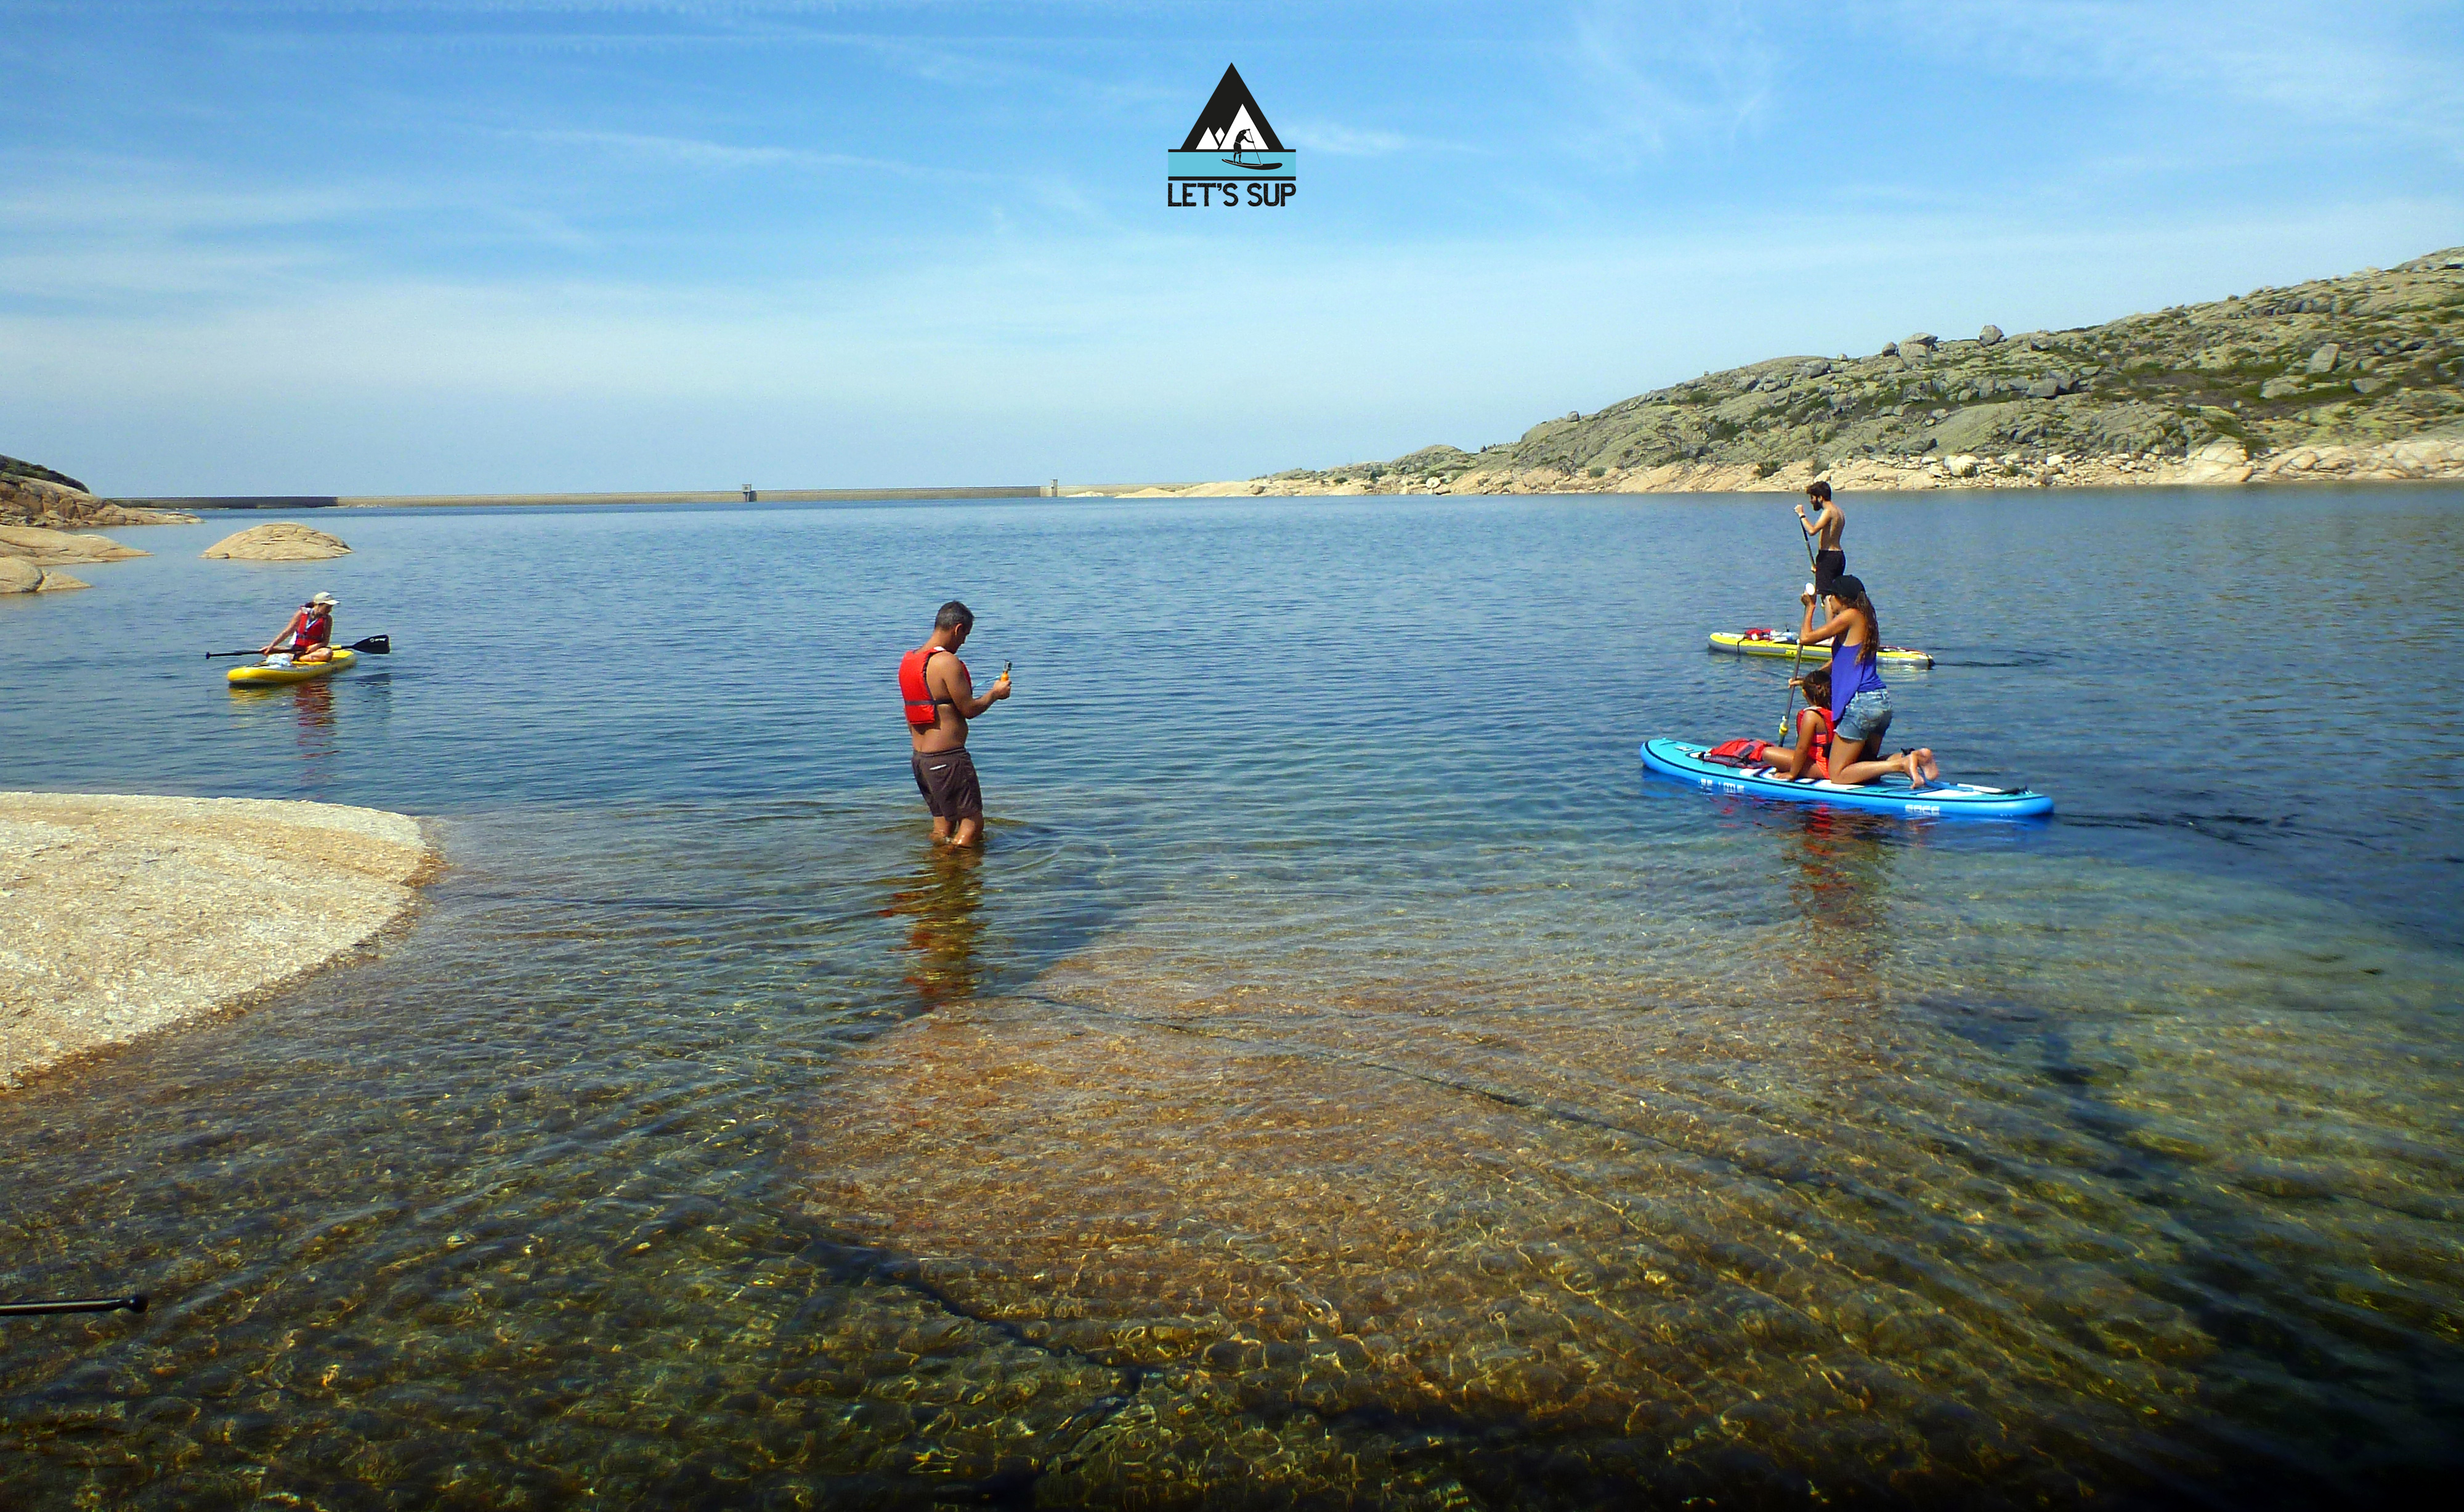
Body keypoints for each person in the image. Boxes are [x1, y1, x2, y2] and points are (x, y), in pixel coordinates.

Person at [1800, 574, 1938, 787]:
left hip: (1862, 704)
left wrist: (1810, 608)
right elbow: (1843, 661)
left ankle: (1901, 765)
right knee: (1865, 764)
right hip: (1879, 701)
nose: (1829, 602)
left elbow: (1806, 638)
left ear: (1841, 598)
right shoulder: (1865, 620)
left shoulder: (1850, 615)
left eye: (1831, 597)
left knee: (1838, 774)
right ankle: (1917, 757)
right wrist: (1811, 678)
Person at [898, 600, 1011, 848]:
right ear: (958, 629)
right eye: (965, 636)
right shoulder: (947, 662)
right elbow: (969, 710)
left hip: (922, 760)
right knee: (972, 824)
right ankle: (953, 867)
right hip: (948, 759)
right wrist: (995, 694)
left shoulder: (910, 661)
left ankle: (935, 866)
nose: (963, 643)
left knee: (943, 826)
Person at [1763, 664, 1837, 780]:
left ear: (1804, 693)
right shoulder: (1833, 710)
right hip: (1831, 763)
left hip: (1820, 768)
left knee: (1767, 753)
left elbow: (1802, 749)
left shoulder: (1811, 716)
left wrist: (1792, 774)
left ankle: (1797, 770)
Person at [1796, 482, 1846, 600]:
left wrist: (1801, 515)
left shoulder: (1829, 511)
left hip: (1828, 557)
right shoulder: (1840, 512)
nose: (1811, 501)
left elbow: (1812, 531)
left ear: (1820, 498)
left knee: (1826, 597)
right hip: (1838, 556)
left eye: (1812, 498)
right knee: (1835, 596)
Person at [263, 592, 337, 664]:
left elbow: (326, 641)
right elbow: (287, 632)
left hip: (315, 650)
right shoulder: (302, 614)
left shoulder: (328, 619)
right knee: (268, 650)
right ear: (318, 605)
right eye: (327, 607)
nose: (330, 610)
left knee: (327, 654)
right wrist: (272, 646)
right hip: (298, 648)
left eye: (331, 607)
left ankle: (295, 657)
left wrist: (316, 646)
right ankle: (298, 656)